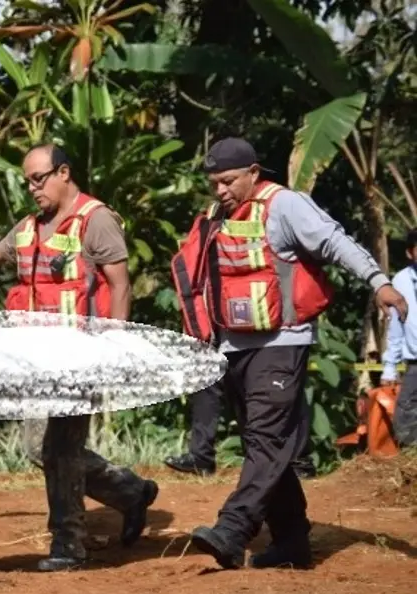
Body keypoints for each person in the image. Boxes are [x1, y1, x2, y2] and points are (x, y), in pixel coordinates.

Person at [0, 143, 160, 571]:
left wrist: (116, 342)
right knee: (39, 447)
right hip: (38, 361)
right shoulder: (28, 228)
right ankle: (130, 492)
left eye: (39, 178)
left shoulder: (97, 221)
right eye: (27, 182)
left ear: (64, 173)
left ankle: (68, 544)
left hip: (82, 357)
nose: (32, 188)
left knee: (63, 446)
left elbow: (121, 284)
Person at [173, 137, 407, 570]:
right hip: (232, 346)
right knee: (265, 442)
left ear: (253, 173)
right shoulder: (215, 217)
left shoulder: (284, 206)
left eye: (228, 182)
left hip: (281, 342)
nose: (221, 191)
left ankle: (232, 528)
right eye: (214, 184)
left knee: (265, 439)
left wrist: (379, 282)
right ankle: (292, 544)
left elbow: (336, 243)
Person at [163, 382, 317, 479]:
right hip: (228, 335)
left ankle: (298, 462)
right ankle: (201, 457)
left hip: (278, 338)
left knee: (284, 384)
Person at [379, 228, 417, 446]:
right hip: (414, 363)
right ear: (410, 253)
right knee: (405, 414)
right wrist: (389, 367)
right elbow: (396, 329)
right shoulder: (401, 281)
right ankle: (411, 461)